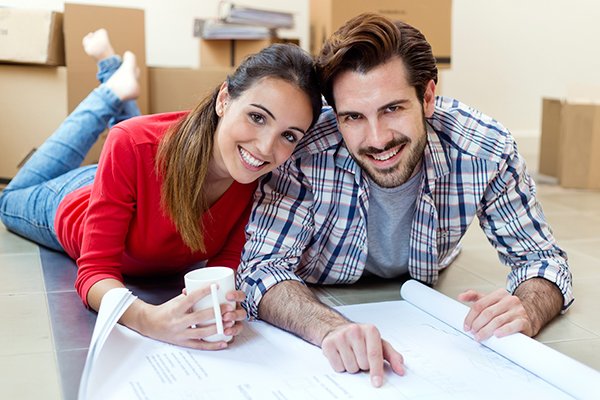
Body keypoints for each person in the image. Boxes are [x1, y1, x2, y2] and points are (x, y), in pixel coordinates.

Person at [237, 13, 573, 386]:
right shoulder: (303, 151)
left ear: (427, 97)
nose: (377, 139)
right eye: (353, 117)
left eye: (392, 109)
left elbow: (541, 260)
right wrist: (329, 327)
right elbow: (262, 268)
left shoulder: (485, 150)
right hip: (320, 289)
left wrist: (527, 306)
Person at [0, 29, 322, 350]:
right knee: (8, 200)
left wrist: (224, 309)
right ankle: (111, 91)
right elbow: (95, 273)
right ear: (224, 99)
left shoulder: (260, 178)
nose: (266, 148)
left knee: (143, 146)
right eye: (257, 117)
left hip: (144, 172)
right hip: (74, 201)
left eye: (289, 136)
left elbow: (223, 269)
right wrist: (149, 320)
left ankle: (118, 77)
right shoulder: (130, 144)